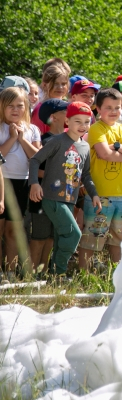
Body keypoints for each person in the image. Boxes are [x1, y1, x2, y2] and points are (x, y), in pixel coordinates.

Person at [28, 101, 99, 276]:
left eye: (86, 122)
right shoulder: (56, 141)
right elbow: (35, 160)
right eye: (77, 121)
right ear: (67, 121)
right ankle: (59, 272)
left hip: (70, 200)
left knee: (61, 238)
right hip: (52, 198)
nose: (82, 126)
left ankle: (53, 276)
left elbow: (86, 175)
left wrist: (94, 194)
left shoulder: (85, 147)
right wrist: (34, 184)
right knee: (74, 234)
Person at [82, 87, 122, 270]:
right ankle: (85, 275)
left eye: (117, 108)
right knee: (92, 238)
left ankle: (117, 275)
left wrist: (116, 146)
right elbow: (103, 154)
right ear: (98, 109)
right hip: (100, 195)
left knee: (120, 240)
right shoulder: (96, 129)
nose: (113, 112)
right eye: (108, 107)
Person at [0, 87, 42, 271]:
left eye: (20, 105)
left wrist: (22, 139)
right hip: (2, 181)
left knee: (13, 231)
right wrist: (11, 138)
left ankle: (10, 270)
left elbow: (37, 158)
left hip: (22, 182)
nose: (15, 110)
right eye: (10, 106)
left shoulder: (32, 129)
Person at [28, 99, 69, 271]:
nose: (71, 113)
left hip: (60, 197)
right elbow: (34, 167)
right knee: (39, 237)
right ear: (53, 117)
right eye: (66, 110)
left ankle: (43, 273)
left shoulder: (70, 140)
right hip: (41, 195)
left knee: (52, 236)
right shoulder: (45, 141)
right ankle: (29, 275)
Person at [31, 61, 71, 134]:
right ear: (44, 85)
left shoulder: (68, 107)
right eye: (55, 83)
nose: (60, 87)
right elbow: (37, 140)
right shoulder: (40, 110)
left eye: (63, 84)